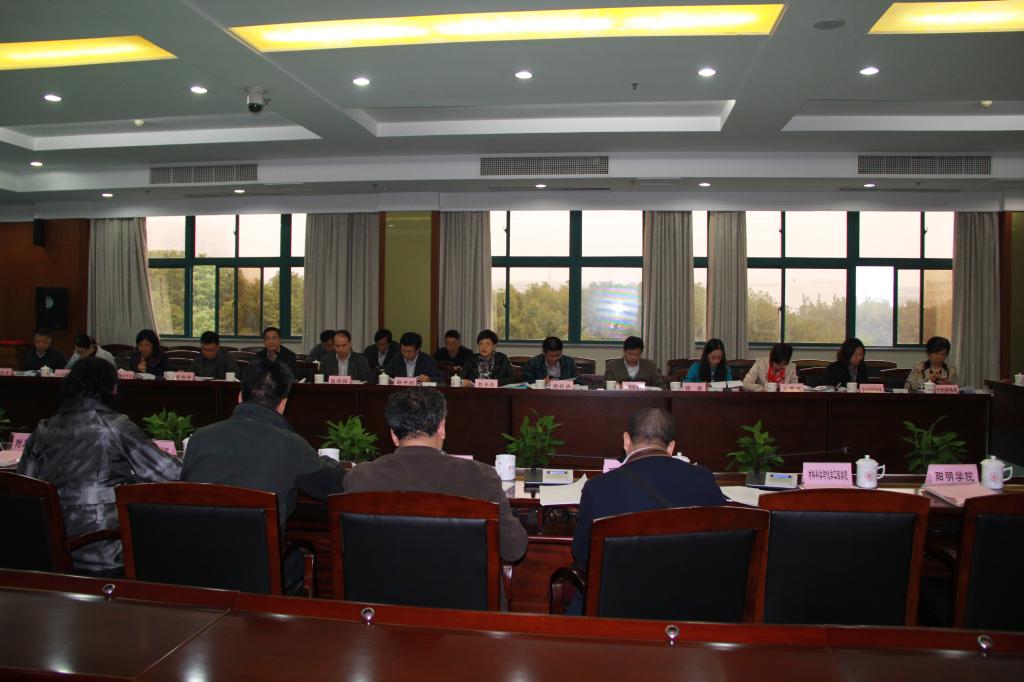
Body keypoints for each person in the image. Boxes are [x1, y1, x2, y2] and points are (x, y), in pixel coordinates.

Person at [180, 359, 345, 586]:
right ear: (283, 404)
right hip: (258, 575)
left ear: (240, 396)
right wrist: (327, 462)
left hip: (195, 569)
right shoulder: (290, 444)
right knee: (303, 560)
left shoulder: (199, 439)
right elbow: (335, 488)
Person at [17, 357, 182, 575]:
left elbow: (25, 488)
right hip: (106, 547)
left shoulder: (44, 429)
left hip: (50, 548)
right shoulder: (115, 426)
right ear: (112, 388)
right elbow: (169, 473)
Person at [344, 388, 527, 563]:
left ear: (393, 435)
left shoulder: (359, 477)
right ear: (441, 428)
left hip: (379, 585)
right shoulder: (481, 476)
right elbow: (513, 549)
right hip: (460, 585)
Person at [569, 407, 724, 612]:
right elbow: (721, 546)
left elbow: (582, 554)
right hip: (691, 604)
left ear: (626, 441)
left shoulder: (597, 488)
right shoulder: (704, 480)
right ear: (671, 447)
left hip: (617, 605)